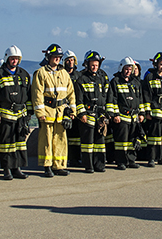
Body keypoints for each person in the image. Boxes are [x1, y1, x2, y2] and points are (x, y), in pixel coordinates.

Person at [32, 44, 76, 177]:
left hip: (61, 113)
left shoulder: (64, 74)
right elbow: (37, 94)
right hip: (47, 112)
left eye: (59, 57)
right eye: (54, 57)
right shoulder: (41, 73)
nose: (57, 59)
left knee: (60, 140)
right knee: (46, 140)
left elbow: (71, 93)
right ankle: (47, 166)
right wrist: (40, 113)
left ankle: (59, 166)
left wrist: (72, 111)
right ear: (49, 57)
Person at [0, 45, 32, 180]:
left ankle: (17, 168)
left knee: (19, 143)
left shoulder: (24, 75)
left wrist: (29, 113)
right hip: (6, 115)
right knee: (6, 144)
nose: (14, 61)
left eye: (17, 59)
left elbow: (28, 95)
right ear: (7, 58)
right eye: (12, 59)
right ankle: (6, 170)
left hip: (21, 115)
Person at [74, 50, 110, 173]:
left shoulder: (102, 79)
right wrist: (82, 114)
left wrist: (106, 114)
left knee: (100, 143)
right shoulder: (81, 80)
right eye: (92, 65)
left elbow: (107, 97)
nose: (95, 67)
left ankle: (99, 165)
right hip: (87, 116)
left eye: (97, 65)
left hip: (100, 116)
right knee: (87, 143)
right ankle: (88, 166)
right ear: (87, 65)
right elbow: (78, 100)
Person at [107, 57, 145, 170]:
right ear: (121, 68)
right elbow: (112, 99)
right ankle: (121, 161)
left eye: (130, 69)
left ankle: (131, 160)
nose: (128, 71)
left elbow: (140, 99)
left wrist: (141, 113)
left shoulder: (135, 82)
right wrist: (115, 114)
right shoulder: (115, 82)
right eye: (126, 69)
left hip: (133, 117)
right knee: (121, 141)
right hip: (122, 117)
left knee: (132, 140)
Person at [141, 52, 162, 166]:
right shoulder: (150, 77)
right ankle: (151, 158)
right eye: (161, 64)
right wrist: (147, 112)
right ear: (156, 64)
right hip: (154, 112)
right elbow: (146, 95)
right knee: (153, 137)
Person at [62, 50, 82, 167]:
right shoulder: (62, 74)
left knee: (75, 135)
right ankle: (65, 159)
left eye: (72, 60)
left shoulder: (79, 75)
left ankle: (75, 158)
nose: (70, 62)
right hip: (64, 108)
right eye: (68, 60)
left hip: (76, 108)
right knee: (65, 136)